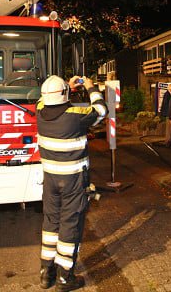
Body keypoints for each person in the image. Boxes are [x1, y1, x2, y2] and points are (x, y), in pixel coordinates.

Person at [36, 75, 107, 291]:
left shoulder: (40, 111)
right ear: (64, 95)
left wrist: (66, 87)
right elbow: (101, 110)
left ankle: (46, 273)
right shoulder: (75, 116)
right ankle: (65, 278)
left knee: (51, 223)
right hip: (73, 180)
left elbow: (45, 100)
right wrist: (91, 87)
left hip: (50, 180)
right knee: (70, 225)